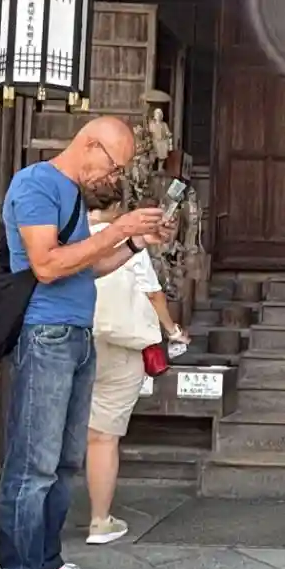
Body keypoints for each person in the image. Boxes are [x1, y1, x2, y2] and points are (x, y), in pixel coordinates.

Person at [0, 115, 167, 569]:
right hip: (44, 332)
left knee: (65, 460)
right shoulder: (36, 184)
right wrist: (117, 228)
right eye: (113, 167)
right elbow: (46, 265)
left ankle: (47, 565)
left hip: (76, 332)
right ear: (89, 144)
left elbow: (87, 266)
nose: (113, 178)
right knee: (34, 463)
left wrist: (135, 243)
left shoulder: (71, 193)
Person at [86, 207, 188, 545]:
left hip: (72, 336)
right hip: (119, 343)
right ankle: (99, 520)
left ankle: (39, 525)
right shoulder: (122, 238)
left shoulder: (61, 233)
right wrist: (173, 331)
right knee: (102, 436)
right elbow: (152, 293)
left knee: (56, 430)